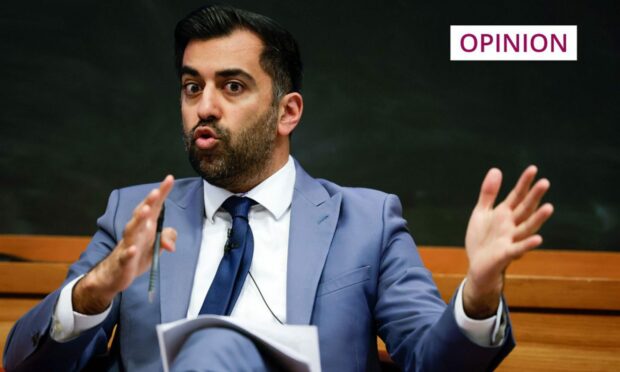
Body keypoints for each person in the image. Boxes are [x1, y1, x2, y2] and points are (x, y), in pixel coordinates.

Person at [3, 5, 553, 372]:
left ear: (287, 111)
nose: (205, 106)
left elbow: (433, 363)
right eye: (192, 86)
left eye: (232, 86)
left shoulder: (366, 222)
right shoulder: (137, 215)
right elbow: (24, 361)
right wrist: (94, 291)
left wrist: (480, 291)